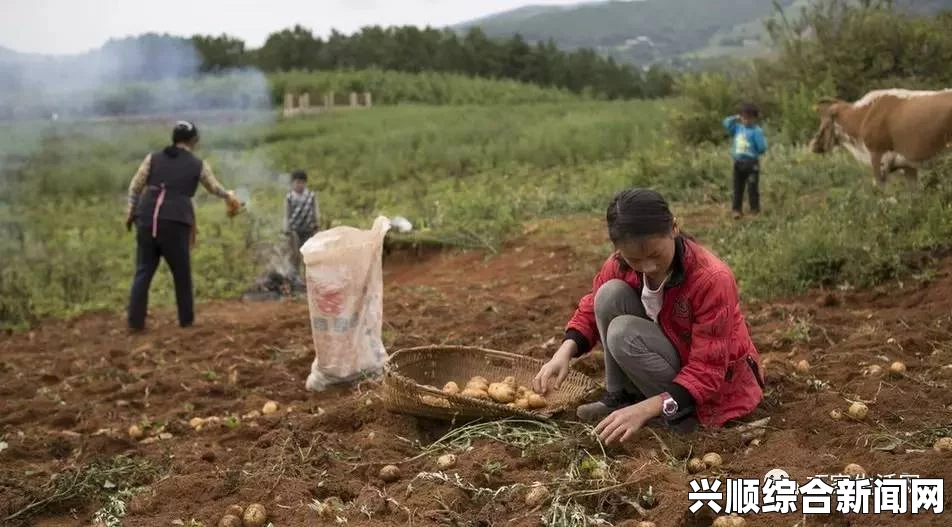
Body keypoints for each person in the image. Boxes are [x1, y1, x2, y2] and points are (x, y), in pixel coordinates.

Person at [532, 188, 764, 445]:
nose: (648, 267)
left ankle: (679, 415)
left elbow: (707, 371)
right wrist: (564, 352)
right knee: (609, 294)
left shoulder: (711, 279)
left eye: (655, 255)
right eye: (635, 259)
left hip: (713, 390)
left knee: (623, 334)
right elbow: (591, 305)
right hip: (671, 356)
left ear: (674, 228)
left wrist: (645, 410)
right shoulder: (619, 263)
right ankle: (621, 398)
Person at [125, 120, 242, 331]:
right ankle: (186, 320)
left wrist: (131, 210)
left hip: (146, 217)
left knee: (143, 270)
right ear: (194, 140)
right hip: (175, 221)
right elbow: (213, 187)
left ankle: (135, 321)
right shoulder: (197, 164)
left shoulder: (153, 158)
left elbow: (135, 186)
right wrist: (229, 196)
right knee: (181, 272)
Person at [723, 103, 768, 219]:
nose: (746, 120)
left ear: (754, 118)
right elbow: (726, 123)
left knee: (752, 188)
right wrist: (735, 117)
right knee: (737, 188)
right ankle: (736, 210)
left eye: (749, 118)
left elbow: (762, 147)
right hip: (738, 163)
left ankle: (755, 210)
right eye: (743, 117)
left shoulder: (756, 131)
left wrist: (755, 152)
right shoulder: (738, 128)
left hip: (751, 164)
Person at [283, 169, 320, 277]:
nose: (299, 185)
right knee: (294, 254)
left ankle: (309, 276)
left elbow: (315, 210)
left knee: (308, 254)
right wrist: (286, 228)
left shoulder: (311, 196)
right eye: (297, 182)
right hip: (294, 230)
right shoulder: (289, 197)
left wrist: (317, 223)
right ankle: (295, 276)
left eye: (302, 182)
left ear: (305, 183)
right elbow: (286, 213)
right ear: (292, 183)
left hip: (309, 228)